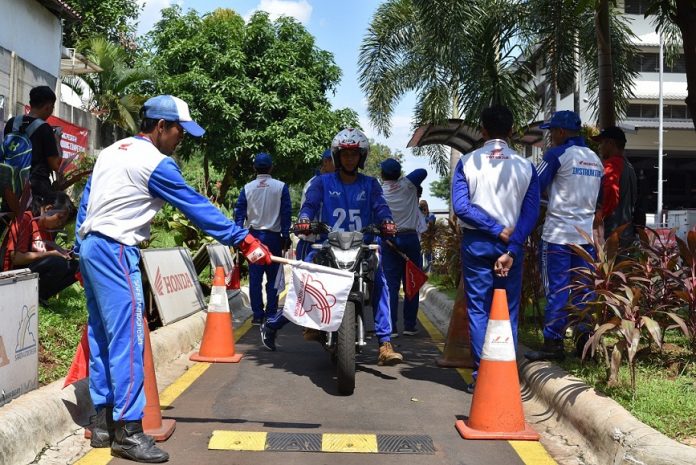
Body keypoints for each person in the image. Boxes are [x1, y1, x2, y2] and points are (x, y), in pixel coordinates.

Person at [75, 95, 272, 463]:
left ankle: (102, 423)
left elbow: (87, 202)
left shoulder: (111, 151)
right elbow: (195, 206)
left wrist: (77, 250)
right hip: (117, 249)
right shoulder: (155, 163)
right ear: (160, 127)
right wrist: (243, 240)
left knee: (101, 336)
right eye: (179, 130)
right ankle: (130, 432)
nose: (181, 138)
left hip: (91, 247)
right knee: (129, 340)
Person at [261, 128, 404, 366]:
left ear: (362, 157)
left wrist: (387, 222)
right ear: (337, 156)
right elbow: (309, 205)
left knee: (382, 282)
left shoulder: (371, 184)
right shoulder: (322, 182)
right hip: (328, 245)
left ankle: (385, 343)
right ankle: (310, 325)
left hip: (362, 245)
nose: (349, 159)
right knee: (306, 280)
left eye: (354, 154)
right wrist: (305, 220)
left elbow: (380, 207)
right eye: (345, 154)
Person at [452, 105, 540, 393]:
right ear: (512, 131)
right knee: (508, 311)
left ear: (483, 130)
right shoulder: (526, 166)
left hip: (477, 242)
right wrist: (511, 247)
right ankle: (505, 377)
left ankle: (481, 376)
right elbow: (530, 214)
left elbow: (461, 207)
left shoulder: (466, 162)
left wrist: (492, 228)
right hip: (512, 247)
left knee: (478, 309)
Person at [525, 110, 603, 362]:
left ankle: (553, 345)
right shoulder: (594, 159)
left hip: (558, 236)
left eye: (551, 133)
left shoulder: (557, 155)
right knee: (583, 291)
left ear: (559, 132)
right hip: (585, 239)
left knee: (557, 290)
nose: (550, 138)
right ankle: (584, 345)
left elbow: (533, 184)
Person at [234, 153, 291, 325]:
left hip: (253, 238)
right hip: (274, 238)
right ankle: (272, 313)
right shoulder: (281, 187)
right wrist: (286, 235)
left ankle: (258, 314)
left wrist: (238, 236)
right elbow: (286, 213)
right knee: (273, 278)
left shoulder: (248, 188)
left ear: (254, 168)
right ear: (271, 167)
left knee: (255, 277)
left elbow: (239, 214)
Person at [380, 158, 427, 336]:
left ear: (382, 174)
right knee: (411, 281)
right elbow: (422, 171)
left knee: (391, 285)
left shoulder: (380, 191)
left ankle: (391, 327)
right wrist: (404, 180)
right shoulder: (408, 185)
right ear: (399, 174)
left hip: (390, 239)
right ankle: (410, 325)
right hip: (410, 238)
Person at [1, 192, 78, 302]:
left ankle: (40, 297)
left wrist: (64, 253)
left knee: (76, 266)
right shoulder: (25, 220)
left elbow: (50, 259)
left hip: (31, 274)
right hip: (11, 277)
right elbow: (17, 258)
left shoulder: (46, 230)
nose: (60, 224)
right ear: (48, 208)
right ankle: (30, 296)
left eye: (63, 222)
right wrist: (52, 253)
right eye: (59, 218)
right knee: (57, 262)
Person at [3, 86, 61, 204]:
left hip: (10, 187)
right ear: (48, 107)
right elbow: (55, 165)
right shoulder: (45, 128)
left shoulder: (12, 123)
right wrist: (57, 141)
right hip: (35, 190)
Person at [591, 126, 638, 249]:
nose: (600, 147)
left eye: (602, 143)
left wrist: (599, 218)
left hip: (611, 234)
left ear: (610, 143)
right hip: (626, 233)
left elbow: (611, 192)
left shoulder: (612, 164)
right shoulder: (629, 166)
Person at [295, 148, 335, 261]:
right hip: (311, 242)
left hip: (332, 242)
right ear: (326, 162)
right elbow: (307, 210)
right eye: (335, 161)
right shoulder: (313, 183)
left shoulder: (339, 183)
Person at [419, 199, 436, 272]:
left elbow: (430, 225)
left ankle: (429, 271)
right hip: (420, 238)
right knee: (419, 254)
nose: (423, 208)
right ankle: (420, 270)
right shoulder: (418, 215)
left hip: (428, 238)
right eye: (421, 207)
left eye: (424, 206)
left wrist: (425, 215)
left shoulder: (431, 215)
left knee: (428, 255)